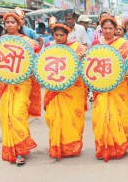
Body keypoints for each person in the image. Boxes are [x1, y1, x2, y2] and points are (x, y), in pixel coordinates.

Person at [0, 12, 41, 165]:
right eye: (7, 22)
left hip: (23, 84)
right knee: (6, 115)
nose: (9, 25)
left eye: (12, 22)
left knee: (18, 113)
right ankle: (13, 150)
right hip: (6, 84)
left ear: (19, 24)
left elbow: (36, 62)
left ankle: (21, 149)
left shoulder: (28, 42)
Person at [91, 16, 128, 162]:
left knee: (120, 115)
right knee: (101, 115)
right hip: (101, 87)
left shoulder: (125, 45)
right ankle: (103, 146)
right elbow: (90, 64)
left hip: (119, 86)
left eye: (111, 28)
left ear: (116, 29)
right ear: (101, 29)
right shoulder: (96, 44)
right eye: (105, 28)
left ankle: (118, 145)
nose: (108, 31)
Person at [43, 21, 88, 160]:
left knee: (73, 117)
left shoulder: (78, 48)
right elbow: (42, 66)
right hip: (54, 89)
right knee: (53, 117)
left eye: (61, 35)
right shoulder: (48, 47)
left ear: (67, 35)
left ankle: (71, 146)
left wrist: (79, 59)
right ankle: (57, 145)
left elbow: (85, 67)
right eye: (55, 35)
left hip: (73, 89)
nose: (58, 38)